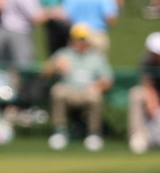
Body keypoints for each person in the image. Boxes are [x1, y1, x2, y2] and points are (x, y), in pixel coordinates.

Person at [44, 22, 112, 151]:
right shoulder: (64, 53)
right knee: (57, 91)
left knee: (94, 97)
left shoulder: (96, 57)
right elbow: (45, 72)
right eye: (76, 39)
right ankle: (60, 131)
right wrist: (55, 66)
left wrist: (98, 85)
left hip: (87, 92)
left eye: (82, 39)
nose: (79, 42)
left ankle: (93, 134)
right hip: (69, 90)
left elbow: (108, 80)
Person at [0, 0, 43, 67]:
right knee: (24, 67)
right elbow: (36, 17)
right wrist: (53, 13)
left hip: (8, 28)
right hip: (18, 31)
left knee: (7, 66)